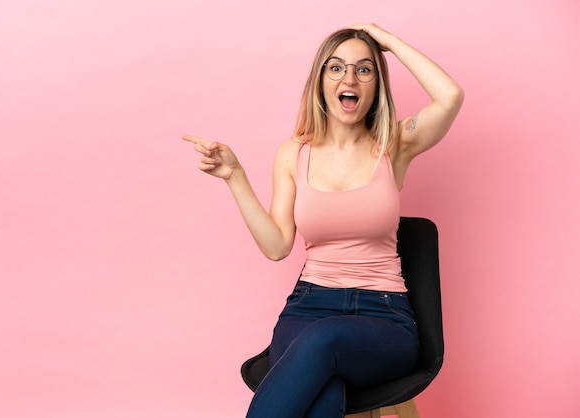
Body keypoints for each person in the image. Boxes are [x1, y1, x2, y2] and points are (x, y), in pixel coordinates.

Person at [183, 23, 463, 418]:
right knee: (323, 393)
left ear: (376, 85)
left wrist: (390, 44)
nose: (349, 77)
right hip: (308, 307)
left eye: (364, 69)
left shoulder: (393, 145)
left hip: (383, 316)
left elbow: (450, 96)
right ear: (320, 81)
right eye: (336, 68)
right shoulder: (292, 154)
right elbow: (278, 245)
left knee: (322, 342)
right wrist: (235, 177)